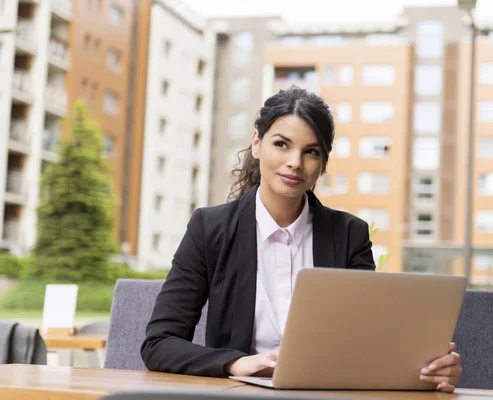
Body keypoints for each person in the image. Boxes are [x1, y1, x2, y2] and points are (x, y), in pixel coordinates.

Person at [140, 86, 462, 392]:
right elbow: (159, 343)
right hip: (237, 394)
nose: (295, 162)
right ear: (257, 143)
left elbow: (367, 342)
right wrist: (235, 363)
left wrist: (430, 368)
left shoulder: (349, 235)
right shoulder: (209, 229)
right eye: (281, 144)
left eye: (311, 151)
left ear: (322, 163)